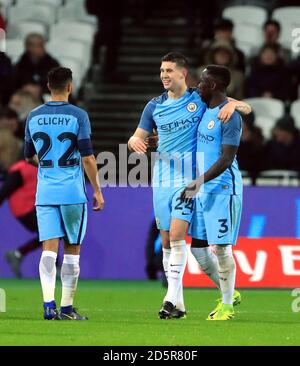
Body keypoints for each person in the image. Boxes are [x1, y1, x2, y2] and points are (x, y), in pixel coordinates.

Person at [128, 52, 250, 320]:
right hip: (164, 179)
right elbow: (136, 137)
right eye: (161, 70)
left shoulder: (200, 98)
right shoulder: (154, 105)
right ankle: (185, 302)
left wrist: (236, 106)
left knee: (179, 237)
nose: (163, 75)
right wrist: (134, 142)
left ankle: (173, 300)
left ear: (183, 74)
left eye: (169, 70)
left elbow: (241, 106)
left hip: (195, 182)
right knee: (175, 242)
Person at [24, 67, 104, 320]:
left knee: (48, 249)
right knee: (72, 248)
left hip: (45, 192)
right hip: (71, 192)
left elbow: (28, 156)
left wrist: (49, 167)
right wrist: (98, 191)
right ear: (70, 86)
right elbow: (88, 157)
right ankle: (67, 308)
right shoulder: (78, 115)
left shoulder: (33, 116)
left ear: (49, 86)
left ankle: (48, 305)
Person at [181, 65, 244, 320]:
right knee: (197, 248)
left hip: (223, 188)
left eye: (204, 82)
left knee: (221, 248)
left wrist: (197, 182)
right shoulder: (207, 108)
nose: (199, 86)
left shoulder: (230, 116)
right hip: (205, 189)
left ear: (214, 86)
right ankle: (229, 292)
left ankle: (227, 306)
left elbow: (226, 159)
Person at [0, 128, 40, 278]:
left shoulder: (38, 167)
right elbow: (5, 191)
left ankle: (18, 254)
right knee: (51, 233)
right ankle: (53, 267)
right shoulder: (20, 169)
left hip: (33, 206)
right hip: (24, 209)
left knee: (51, 234)